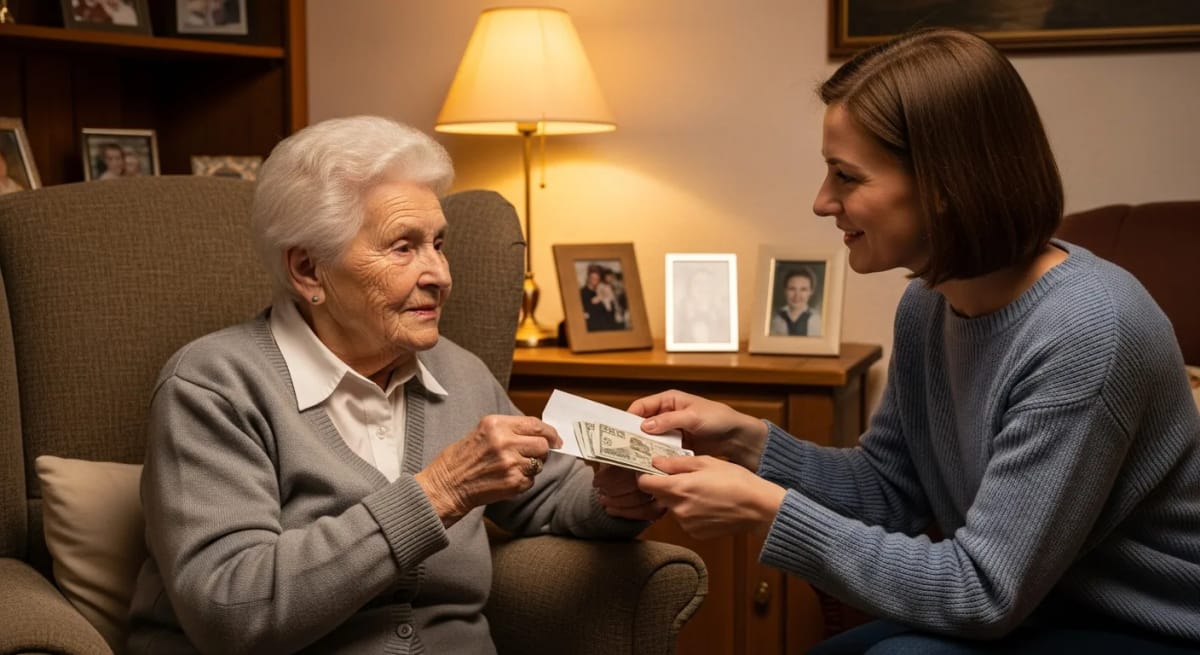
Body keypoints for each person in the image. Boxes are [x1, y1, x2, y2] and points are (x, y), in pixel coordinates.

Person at [633, 27, 1200, 653]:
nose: (823, 202)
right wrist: (747, 442)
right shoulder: (929, 303)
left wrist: (770, 511)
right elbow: (888, 490)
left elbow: (983, 593)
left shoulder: (1090, 330)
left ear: (945, 186)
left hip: (1146, 625)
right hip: (1038, 607)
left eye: (846, 176)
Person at [126, 116, 663, 654]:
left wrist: (614, 495)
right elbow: (232, 609)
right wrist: (439, 492)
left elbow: (545, 493)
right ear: (309, 270)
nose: (440, 275)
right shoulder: (214, 386)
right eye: (403, 247)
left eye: (438, 243)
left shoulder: (460, 372)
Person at [769, 266, 821, 336]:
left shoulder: (817, 321)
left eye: (803, 289)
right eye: (792, 289)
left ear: (811, 292)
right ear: (785, 290)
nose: (797, 295)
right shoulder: (775, 320)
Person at [580, 263, 621, 331]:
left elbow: (609, 310)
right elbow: (585, 312)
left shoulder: (602, 290)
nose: (595, 280)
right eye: (593, 278)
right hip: (593, 328)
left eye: (597, 278)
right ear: (588, 277)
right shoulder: (582, 292)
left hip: (607, 327)